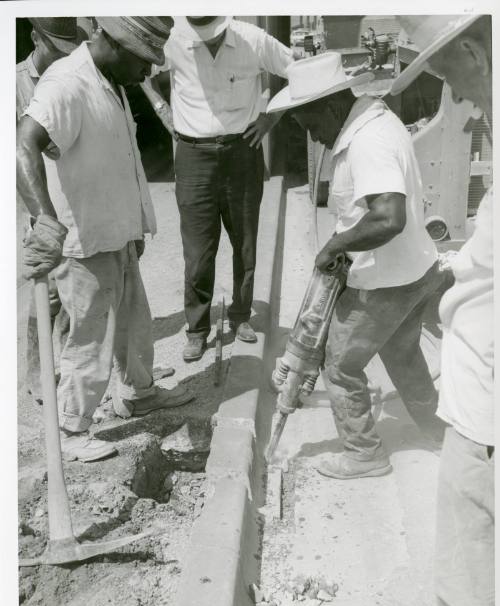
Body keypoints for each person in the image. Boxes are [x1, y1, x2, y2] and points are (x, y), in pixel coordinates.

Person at [17, 16, 193, 463]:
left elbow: (116, 155)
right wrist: (44, 221)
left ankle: (138, 393)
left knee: (134, 325)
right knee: (90, 339)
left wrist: (135, 225)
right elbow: (22, 146)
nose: (148, 73)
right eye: (144, 61)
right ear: (116, 45)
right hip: (84, 238)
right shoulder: (68, 82)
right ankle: (73, 429)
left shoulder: (109, 79)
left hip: (116, 231)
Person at [267, 52, 443, 479]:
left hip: (384, 280)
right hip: (413, 271)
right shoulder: (371, 121)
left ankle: (364, 453)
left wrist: (337, 244)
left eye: (312, 127)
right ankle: (439, 433)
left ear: (328, 106)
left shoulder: (368, 141)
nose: (316, 138)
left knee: (340, 363)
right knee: (402, 355)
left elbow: (388, 217)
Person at [391, 15, 493, 606]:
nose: (448, 91)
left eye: (445, 70)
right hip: (476, 406)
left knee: (467, 591)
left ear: (474, 52)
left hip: (485, 423)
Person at [151, 16, 293, 361]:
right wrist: (161, 108)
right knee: (197, 252)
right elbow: (144, 76)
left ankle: (242, 316)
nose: (209, 42)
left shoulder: (252, 39)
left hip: (241, 150)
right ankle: (197, 329)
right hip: (192, 155)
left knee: (245, 242)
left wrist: (270, 116)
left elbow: (299, 73)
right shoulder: (173, 39)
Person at [17, 18, 86, 404]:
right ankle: (39, 375)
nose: (62, 56)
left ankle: (70, 368)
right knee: (48, 294)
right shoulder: (13, 84)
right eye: (54, 48)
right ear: (34, 38)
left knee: (73, 291)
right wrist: (41, 218)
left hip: (73, 199)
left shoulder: (71, 78)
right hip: (39, 205)